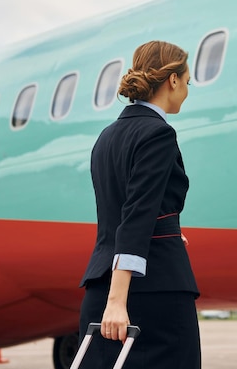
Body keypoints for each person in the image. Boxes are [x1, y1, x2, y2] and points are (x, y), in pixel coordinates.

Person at [78, 40, 200, 368]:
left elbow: (120, 210)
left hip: (100, 286)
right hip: (149, 293)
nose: (187, 90)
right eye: (187, 82)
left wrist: (167, 228)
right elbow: (136, 216)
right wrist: (118, 303)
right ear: (172, 80)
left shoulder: (106, 137)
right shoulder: (158, 133)